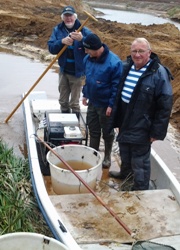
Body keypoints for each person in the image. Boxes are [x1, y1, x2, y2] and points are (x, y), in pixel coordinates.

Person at [108, 37, 173, 190]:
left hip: (143, 122)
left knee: (140, 158)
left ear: (149, 53)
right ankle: (126, 174)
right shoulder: (126, 66)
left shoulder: (159, 73)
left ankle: (141, 187)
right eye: (134, 51)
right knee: (124, 148)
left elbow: (165, 106)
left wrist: (156, 131)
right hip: (125, 119)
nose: (137, 55)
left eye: (141, 51)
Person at [82, 33, 123, 168]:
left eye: (88, 49)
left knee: (107, 132)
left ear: (95, 48)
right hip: (93, 102)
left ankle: (107, 157)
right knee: (93, 129)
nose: (86, 52)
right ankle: (93, 154)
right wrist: (85, 94)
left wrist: (111, 105)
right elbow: (87, 79)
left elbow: (117, 87)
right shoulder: (88, 59)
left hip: (106, 105)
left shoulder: (114, 63)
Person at [48, 6, 91, 117]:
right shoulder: (58, 29)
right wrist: (61, 41)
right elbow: (51, 48)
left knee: (74, 103)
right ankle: (65, 120)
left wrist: (82, 40)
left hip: (78, 73)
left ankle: (74, 123)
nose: (68, 19)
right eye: (66, 16)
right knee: (63, 101)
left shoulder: (84, 31)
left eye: (70, 16)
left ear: (75, 17)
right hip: (63, 71)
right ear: (63, 18)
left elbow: (94, 47)